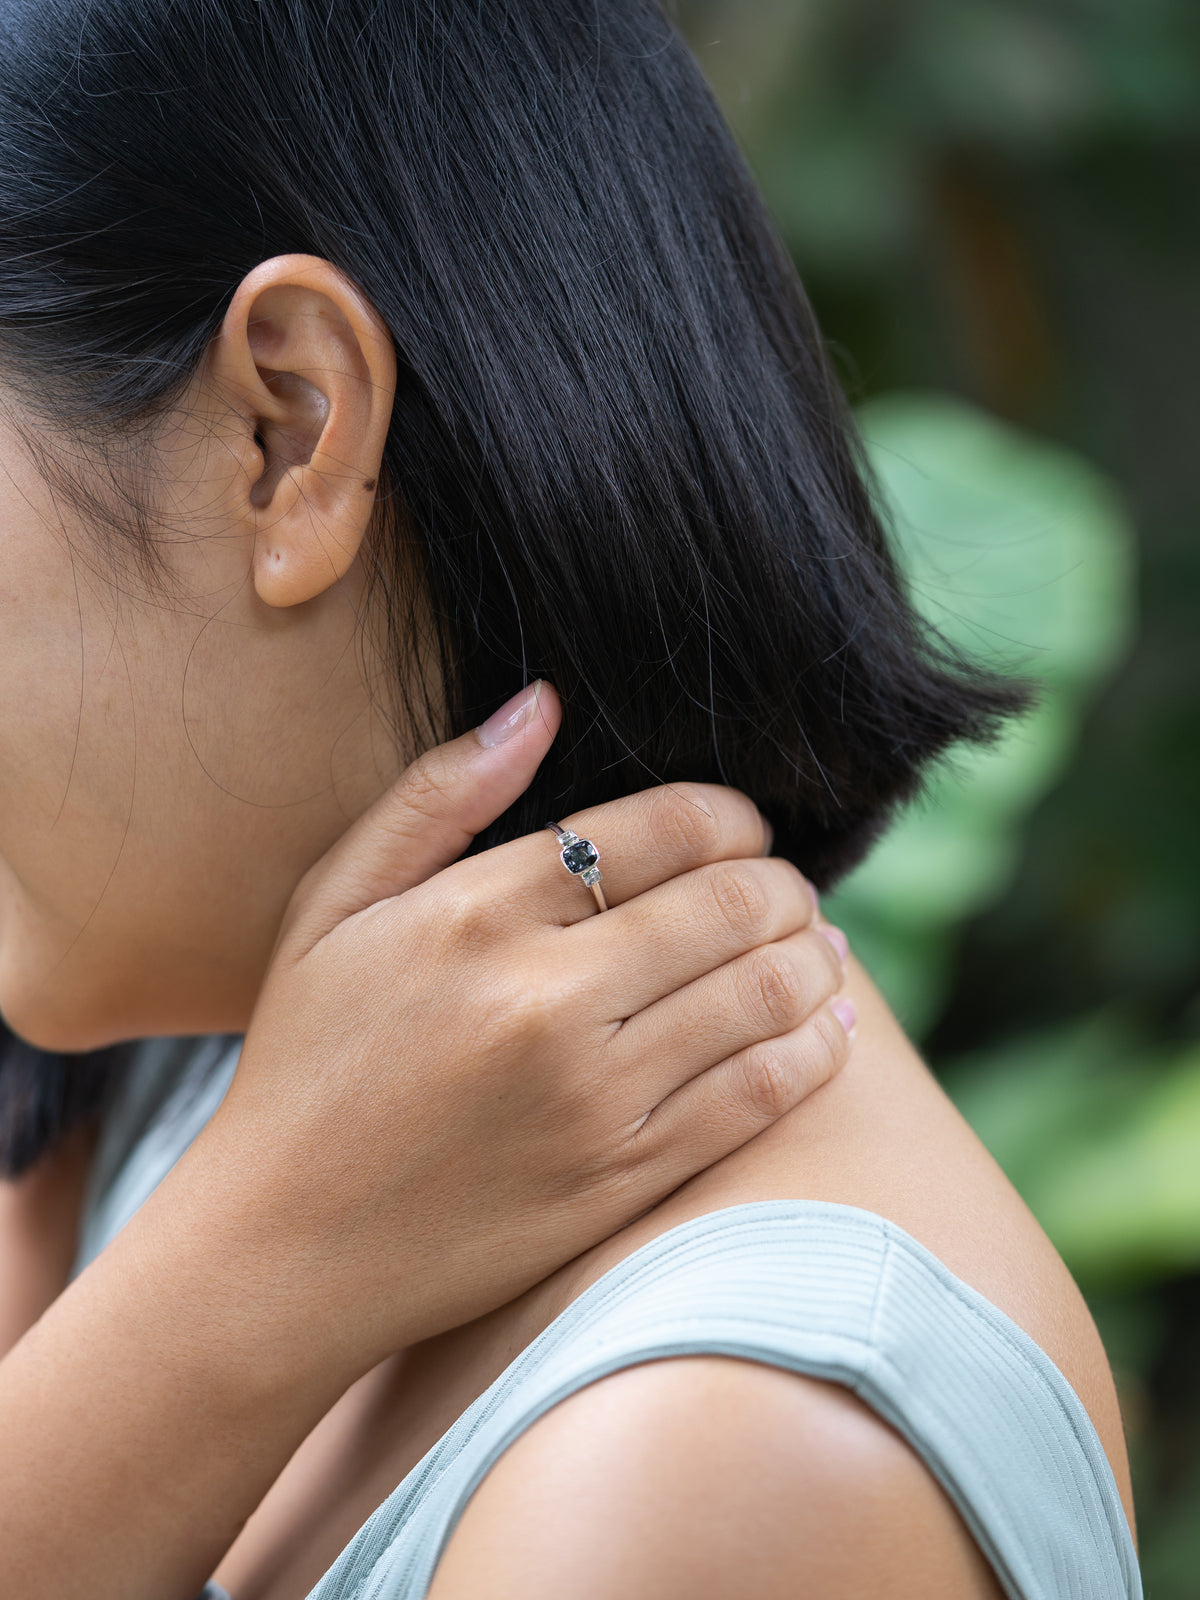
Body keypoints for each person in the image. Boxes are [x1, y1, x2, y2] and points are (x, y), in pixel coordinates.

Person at [0, 1, 1139, 1597]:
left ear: (290, 431)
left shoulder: (716, 1473)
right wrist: (246, 1263)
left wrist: (247, 1269)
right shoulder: (201, 1013)